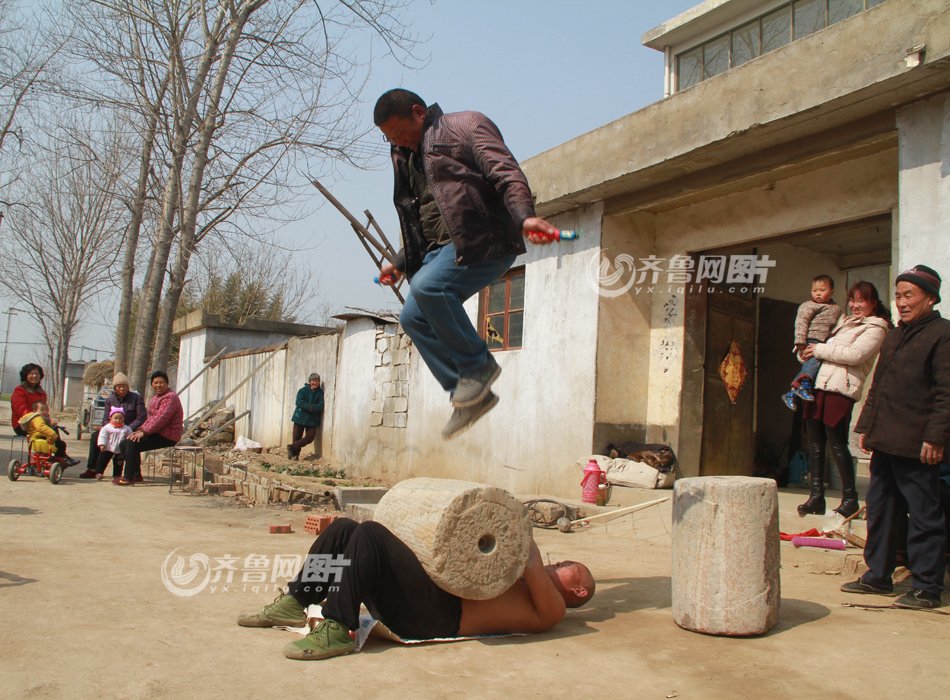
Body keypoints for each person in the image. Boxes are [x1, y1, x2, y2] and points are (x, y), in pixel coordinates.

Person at [373, 88, 559, 439]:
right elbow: (423, 212)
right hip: (437, 252)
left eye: (400, 133)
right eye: (389, 138)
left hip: (481, 241)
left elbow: (507, 173)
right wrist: (400, 261)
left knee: (430, 287)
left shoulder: (465, 127)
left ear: (418, 112)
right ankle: (468, 395)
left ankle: (478, 368)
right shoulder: (404, 156)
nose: (398, 142)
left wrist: (524, 217)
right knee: (412, 317)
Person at [238, 518, 595, 661]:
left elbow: (530, 559)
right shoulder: (516, 579)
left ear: (577, 591)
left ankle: (338, 628)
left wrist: (511, 521)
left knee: (370, 536)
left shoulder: (552, 610)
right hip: (429, 596)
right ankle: (297, 599)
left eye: (567, 568)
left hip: (436, 617)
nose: (557, 564)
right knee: (345, 529)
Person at [841, 264, 949, 610]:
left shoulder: (943, 334)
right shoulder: (896, 333)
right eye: (898, 295)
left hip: (918, 443)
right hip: (886, 438)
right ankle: (878, 576)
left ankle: (927, 586)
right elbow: (879, 385)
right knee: (882, 508)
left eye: (909, 295)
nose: (901, 302)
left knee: (924, 513)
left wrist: (936, 437)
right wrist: (866, 429)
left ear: (930, 298)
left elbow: (947, 392)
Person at [795, 281, 890, 517]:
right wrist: (806, 353)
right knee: (815, 444)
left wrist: (818, 351)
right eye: (852, 300)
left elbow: (854, 355)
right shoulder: (844, 322)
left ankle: (850, 498)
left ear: (873, 303)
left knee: (836, 443)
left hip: (840, 388)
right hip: (819, 385)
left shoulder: (876, 327)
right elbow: (822, 351)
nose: (855, 305)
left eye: (861, 301)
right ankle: (816, 497)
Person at [782, 275, 842, 410]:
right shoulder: (808, 306)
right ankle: (803, 386)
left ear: (832, 291)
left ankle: (792, 393)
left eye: (822, 290)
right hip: (811, 339)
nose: (818, 293)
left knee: (817, 366)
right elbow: (801, 322)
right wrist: (800, 342)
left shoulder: (836, 308)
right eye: (814, 290)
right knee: (814, 362)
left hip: (825, 343)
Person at [116, 370, 183, 486]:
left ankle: (128, 477)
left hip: (168, 435)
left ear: (167, 383)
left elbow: (160, 418)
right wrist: (139, 430)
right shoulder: (155, 398)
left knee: (132, 444)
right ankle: (136, 474)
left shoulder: (170, 398)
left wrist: (144, 432)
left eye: (161, 382)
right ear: (152, 384)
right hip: (157, 432)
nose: (158, 385)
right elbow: (150, 419)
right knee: (125, 443)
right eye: (155, 383)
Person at [79, 372, 147, 479]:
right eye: (119, 386)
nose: (122, 389)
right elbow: (106, 419)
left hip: (129, 429)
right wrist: (111, 429)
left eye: (124, 386)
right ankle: (92, 469)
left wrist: (127, 429)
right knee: (95, 436)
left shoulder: (136, 398)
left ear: (127, 387)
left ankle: (135, 473)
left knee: (133, 441)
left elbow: (141, 417)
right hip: (112, 428)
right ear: (115, 388)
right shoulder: (110, 399)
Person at [10, 363, 79, 466]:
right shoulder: (19, 390)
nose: (34, 376)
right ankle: (60, 457)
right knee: (49, 430)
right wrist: (37, 419)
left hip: (40, 423)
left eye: (37, 374)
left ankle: (55, 458)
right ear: (25, 375)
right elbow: (21, 410)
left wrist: (48, 420)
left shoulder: (41, 392)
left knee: (53, 426)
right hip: (23, 424)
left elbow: (44, 411)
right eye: (31, 373)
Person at [287, 373, 324, 460]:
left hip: (312, 419)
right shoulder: (303, 390)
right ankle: (294, 455)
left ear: (319, 382)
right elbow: (299, 402)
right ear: (310, 381)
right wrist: (310, 407)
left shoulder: (320, 392)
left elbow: (320, 406)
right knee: (296, 437)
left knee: (310, 437)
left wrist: (313, 408)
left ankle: (292, 447)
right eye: (313, 381)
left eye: (317, 381)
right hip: (300, 417)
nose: (315, 383)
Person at [93, 407, 132, 482]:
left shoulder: (126, 429)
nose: (118, 420)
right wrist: (102, 444)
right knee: (102, 461)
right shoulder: (107, 428)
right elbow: (103, 436)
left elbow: (129, 437)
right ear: (110, 418)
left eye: (120, 418)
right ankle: (99, 472)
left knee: (119, 463)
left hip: (119, 450)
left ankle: (117, 475)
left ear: (124, 419)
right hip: (107, 448)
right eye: (115, 418)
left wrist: (127, 446)